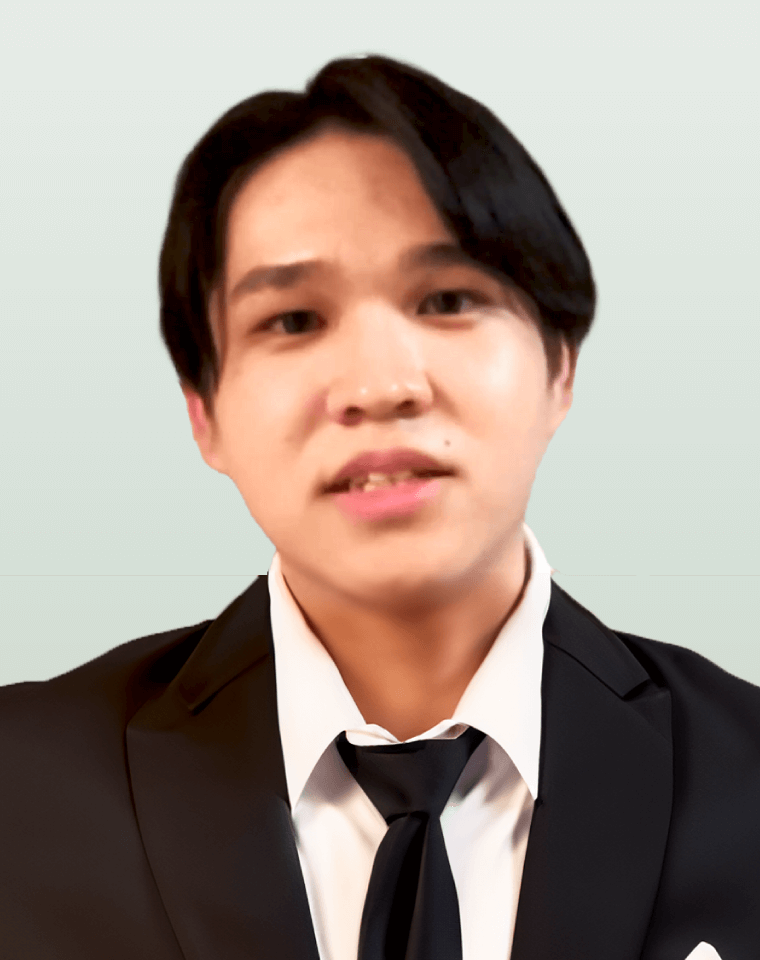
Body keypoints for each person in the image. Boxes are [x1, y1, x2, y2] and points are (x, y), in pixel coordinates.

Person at [0, 53, 757, 960]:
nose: (379, 385)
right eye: (293, 320)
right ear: (204, 414)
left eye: (448, 299)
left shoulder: (747, 777)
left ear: (561, 366)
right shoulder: (21, 790)